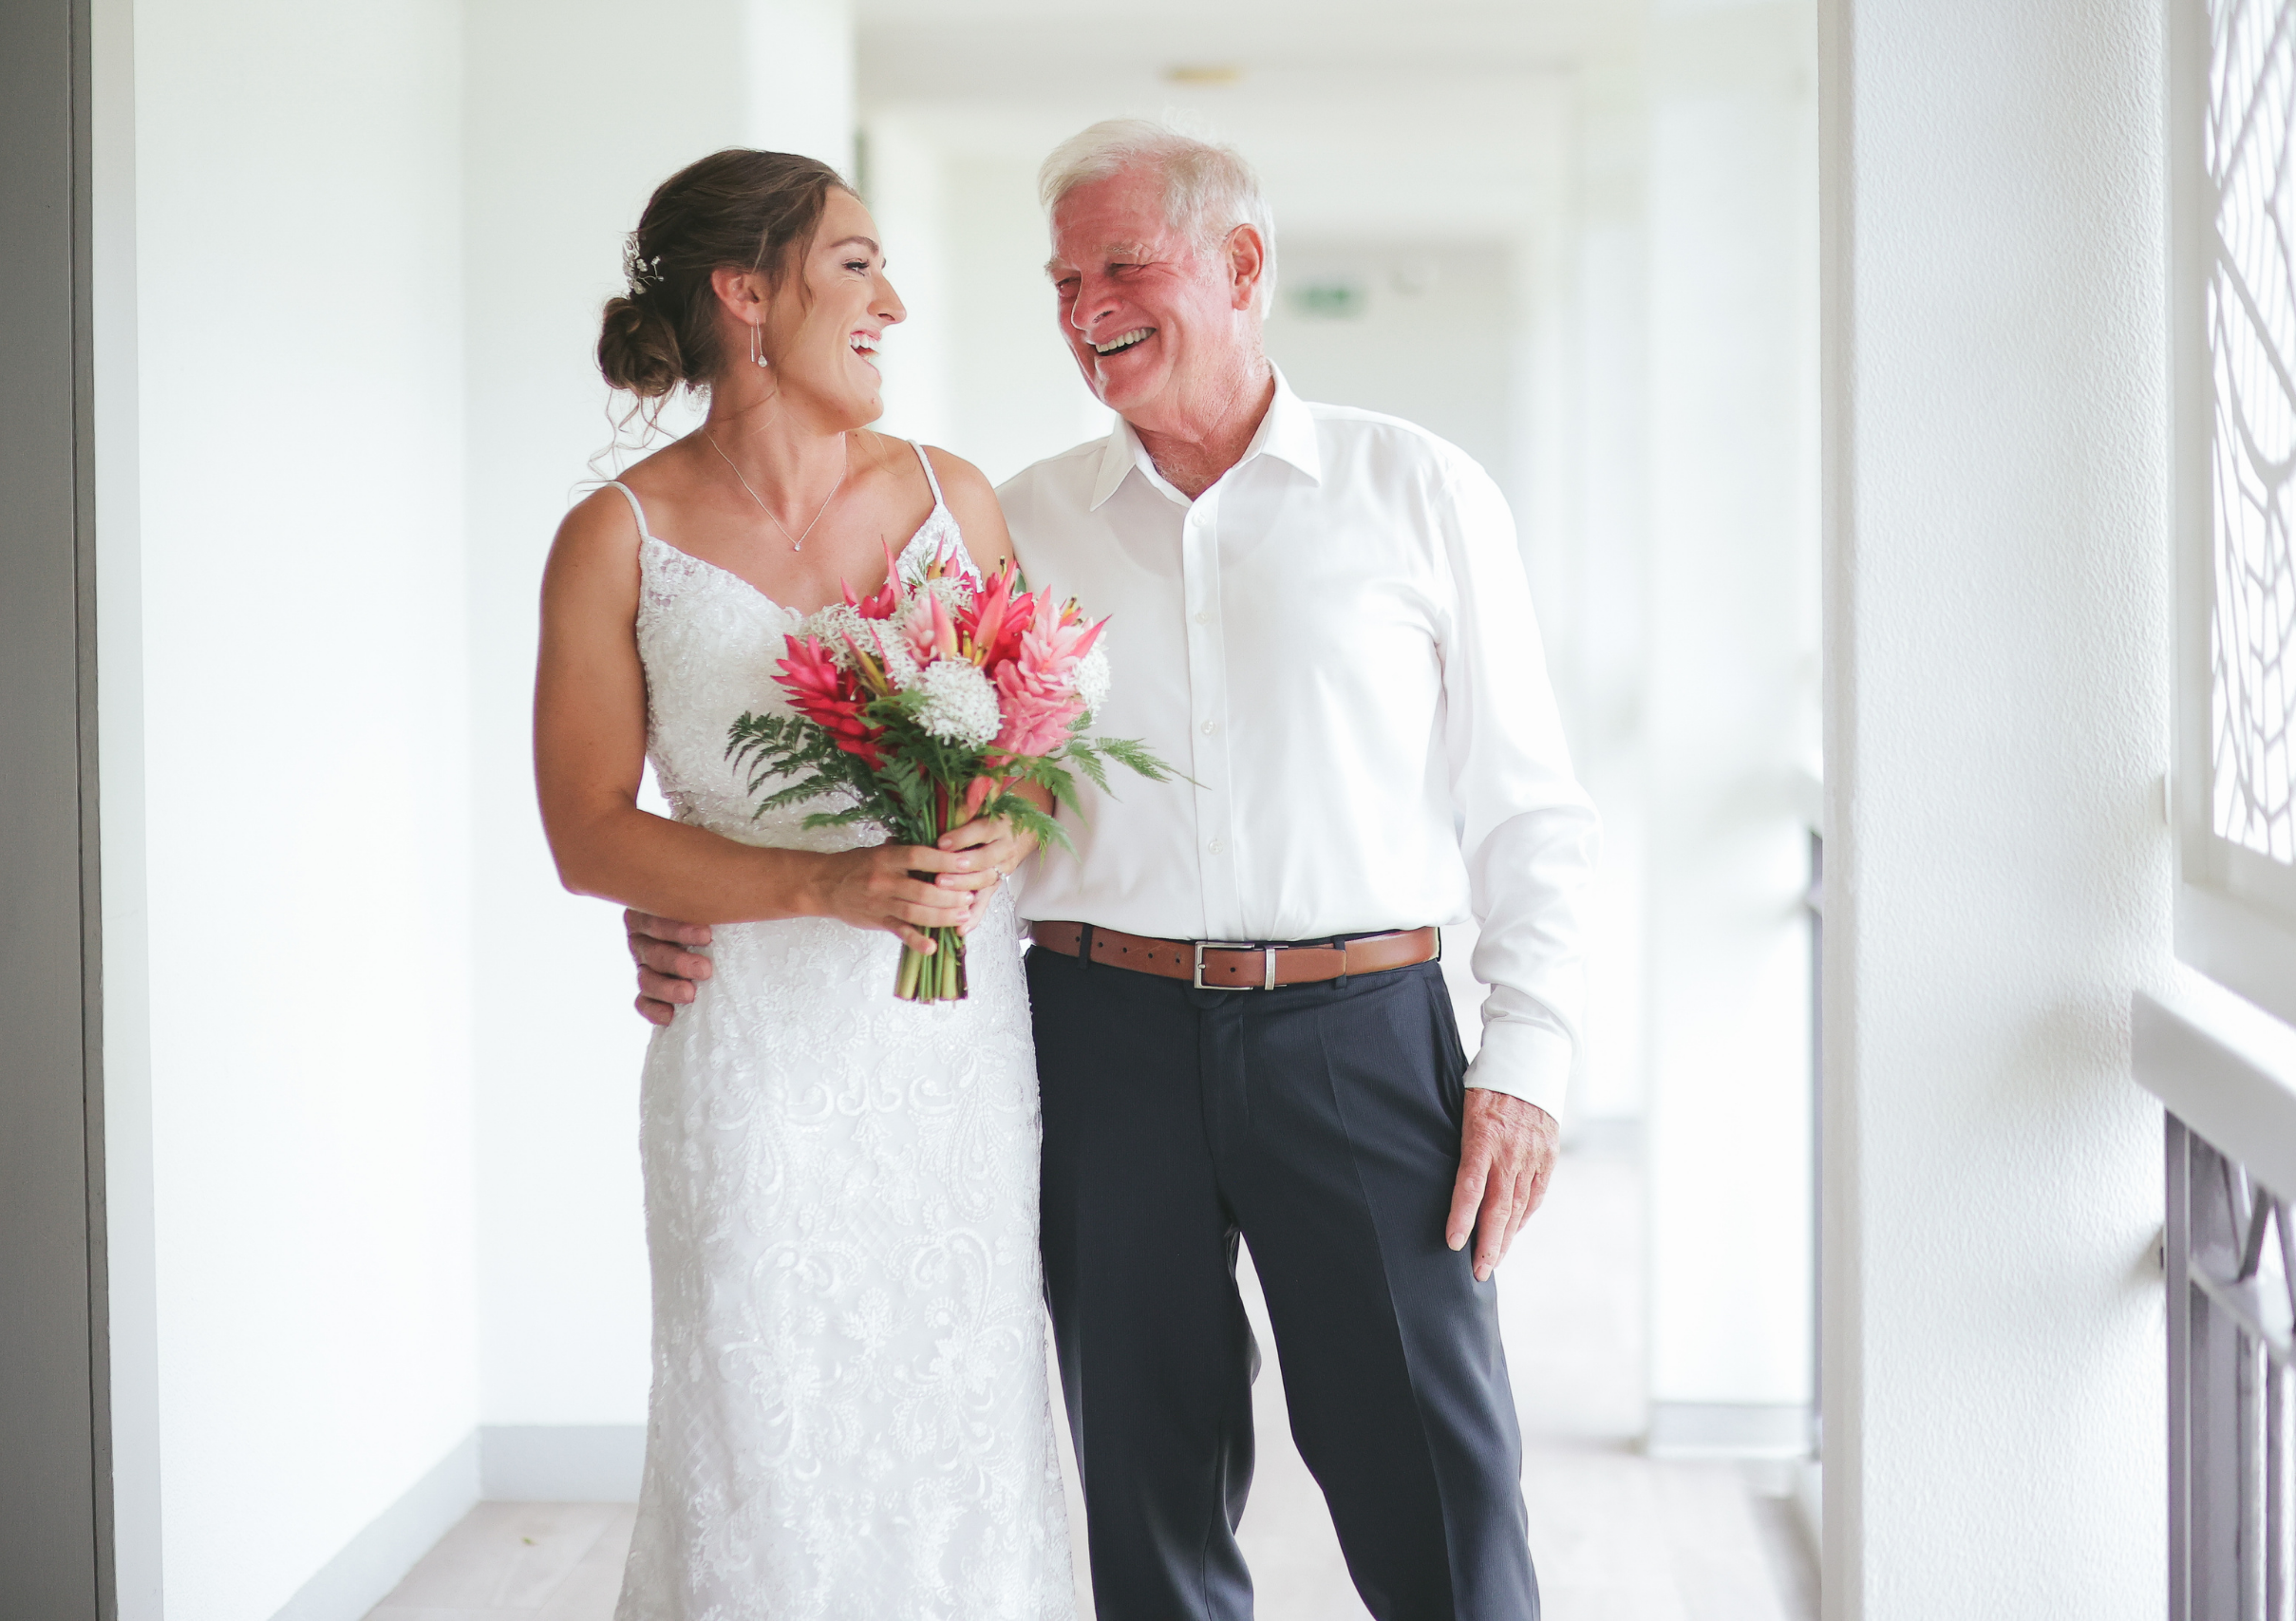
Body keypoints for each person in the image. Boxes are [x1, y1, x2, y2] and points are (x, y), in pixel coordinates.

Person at [630, 121, 1597, 1620]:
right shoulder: (1007, 518)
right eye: (1063, 279)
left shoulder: (1419, 492)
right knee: (1142, 1489)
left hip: (1360, 1031)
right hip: (1099, 1037)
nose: (1087, 307)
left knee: (1440, 1483)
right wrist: (687, 888)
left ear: (1243, 265)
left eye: (1123, 266)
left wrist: (1526, 1056)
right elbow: (891, 758)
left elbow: (1530, 806)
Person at [535, 148, 1074, 1619]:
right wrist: (821, 887)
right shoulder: (614, 539)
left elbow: (1032, 760)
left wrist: (992, 837)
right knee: (754, 1412)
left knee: (956, 1402)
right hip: (748, 1056)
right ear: (743, 293)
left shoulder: (952, 499)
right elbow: (589, 830)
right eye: (856, 266)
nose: (889, 301)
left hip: (949, 1052)